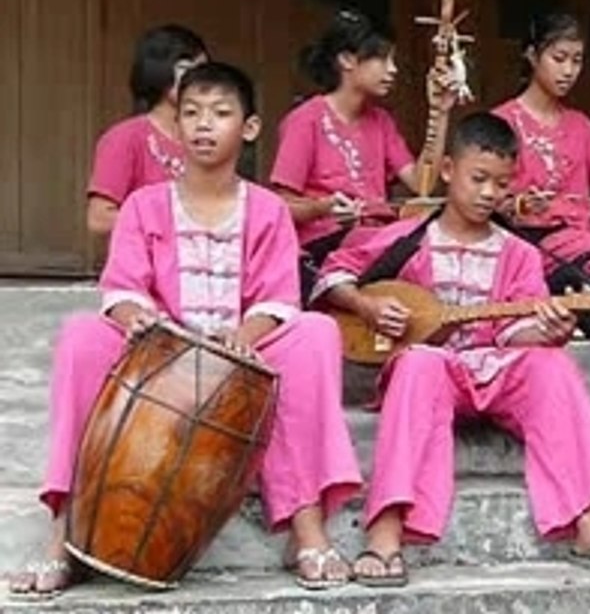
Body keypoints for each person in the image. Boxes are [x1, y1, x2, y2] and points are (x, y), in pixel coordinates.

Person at [10, 62, 362, 598]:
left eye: (220, 113)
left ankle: (305, 525)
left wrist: (243, 337)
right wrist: (139, 321)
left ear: (249, 128)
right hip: (159, 358)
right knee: (83, 335)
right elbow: (123, 287)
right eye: (191, 113)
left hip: (244, 353)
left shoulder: (267, 209)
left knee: (315, 334)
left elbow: (278, 297)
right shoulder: (143, 205)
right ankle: (66, 532)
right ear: (175, 126)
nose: (203, 125)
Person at [315, 112, 590, 588]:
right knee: (417, 363)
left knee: (553, 367)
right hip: (432, 369)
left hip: (495, 366)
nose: (489, 194)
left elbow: (516, 330)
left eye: (501, 184)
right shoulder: (409, 238)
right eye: (478, 179)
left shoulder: (519, 253)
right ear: (450, 171)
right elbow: (331, 274)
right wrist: (366, 305)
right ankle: (386, 529)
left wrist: (550, 331)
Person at [270, 9, 456, 301]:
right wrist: (324, 207)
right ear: (347, 60)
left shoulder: (381, 120)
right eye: (382, 58)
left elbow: (422, 184)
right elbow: (280, 206)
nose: (392, 69)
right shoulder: (305, 119)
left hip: (380, 241)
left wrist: (440, 112)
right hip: (325, 245)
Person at [491, 10, 590, 289]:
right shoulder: (503, 120)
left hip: (584, 242)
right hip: (534, 242)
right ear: (532, 55)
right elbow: (486, 199)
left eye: (576, 61)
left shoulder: (580, 124)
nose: (568, 71)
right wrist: (521, 204)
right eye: (559, 58)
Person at [87, 24, 209, 234]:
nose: (200, 80)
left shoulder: (208, 137)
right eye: (187, 69)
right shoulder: (125, 138)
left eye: (205, 71)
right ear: (159, 69)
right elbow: (99, 219)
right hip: (144, 264)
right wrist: (173, 225)